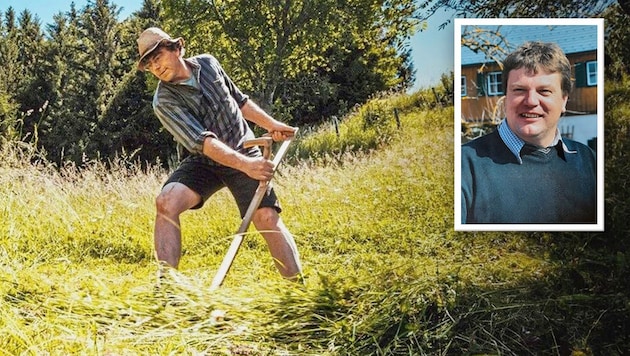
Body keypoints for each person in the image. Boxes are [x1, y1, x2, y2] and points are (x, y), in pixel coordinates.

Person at [136, 27, 302, 280]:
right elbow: (202, 142)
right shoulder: (163, 101)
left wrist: (271, 125)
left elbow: (240, 101)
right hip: (203, 160)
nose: (155, 67)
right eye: (149, 64)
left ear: (177, 48)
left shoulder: (209, 64)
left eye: (158, 57)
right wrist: (246, 165)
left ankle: (298, 291)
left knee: (266, 217)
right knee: (166, 202)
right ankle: (167, 289)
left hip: (243, 147)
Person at [461, 41, 597, 224]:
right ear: (506, 97)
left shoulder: (588, 159)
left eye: (544, 91)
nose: (531, 101)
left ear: (564, 100)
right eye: (519, 90)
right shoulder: (465, 166)